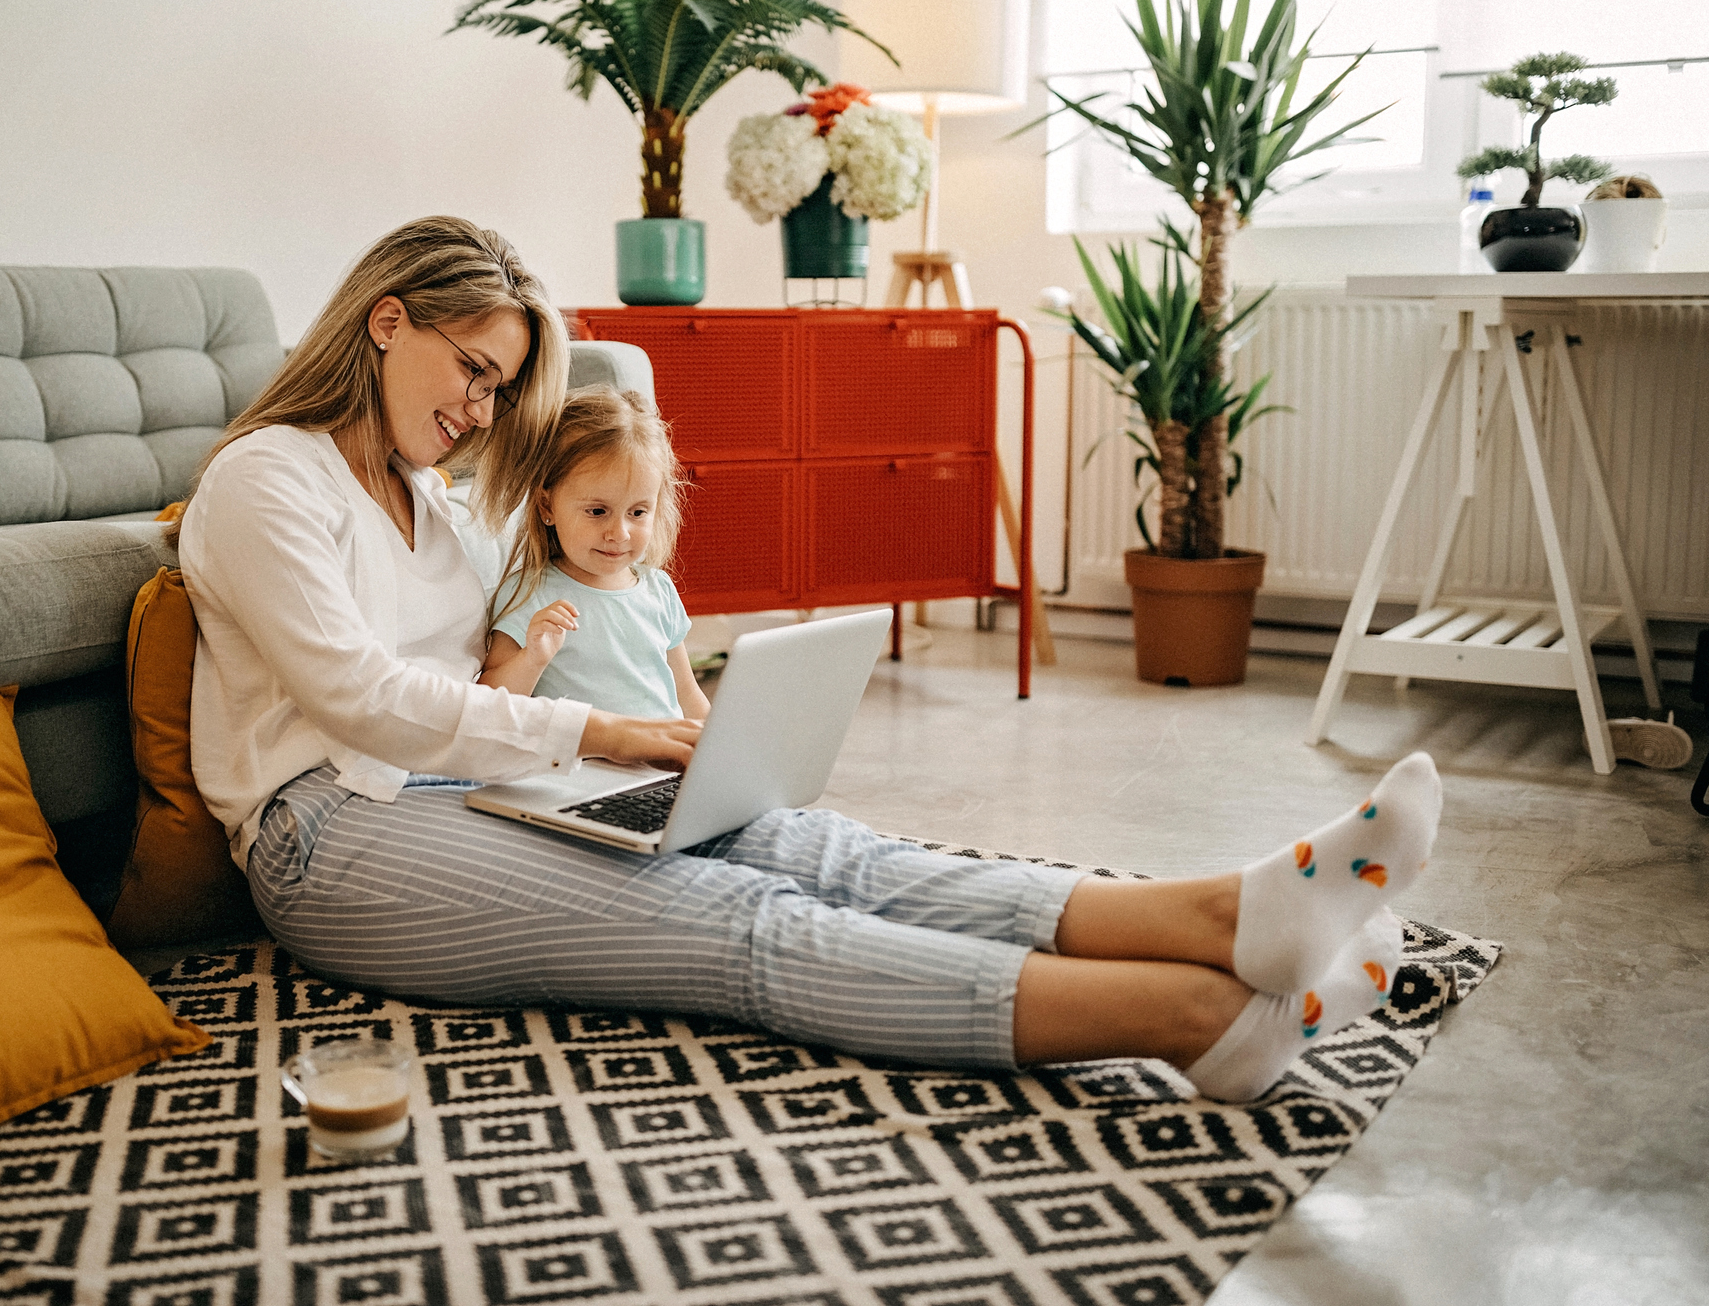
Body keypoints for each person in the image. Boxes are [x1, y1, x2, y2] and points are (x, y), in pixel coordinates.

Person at [173, 215, 1442, 1103]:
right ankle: (1201, 1020)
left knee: (810, 847)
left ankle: (1227, 916)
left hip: (475, 785)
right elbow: (362, 700)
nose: (482, 411)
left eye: (500, 388)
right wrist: (603, 736)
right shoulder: (264, 483)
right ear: (385, 321)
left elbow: (539, 605)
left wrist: (663, 720)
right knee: (732, 920)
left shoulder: (430, 494)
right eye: (476, 372)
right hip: (329, 833)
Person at [477, 385, 711, 720]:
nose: (619, 533)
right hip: (585, 768)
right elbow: (485, 704)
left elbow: (688, 695)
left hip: (662, 764)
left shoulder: (659, 590)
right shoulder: (530, 594)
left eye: (638, 512)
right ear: (548, 505)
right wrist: (532, 658)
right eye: (598, 511)